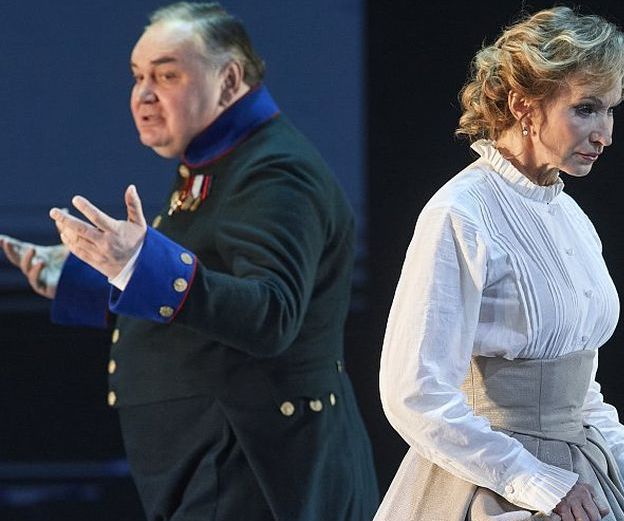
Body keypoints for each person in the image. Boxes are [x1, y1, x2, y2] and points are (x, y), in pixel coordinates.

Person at [0, 2, 378, 520]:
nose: (142, 95)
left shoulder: (275, 173)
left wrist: (138, 265)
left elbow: (270, 314)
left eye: (166, 75)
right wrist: (91, 273)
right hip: (217, 461)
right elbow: (203, 280)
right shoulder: (216, 162)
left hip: (252, 468)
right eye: (137, 76)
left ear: (229, 80)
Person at [375, 6, 624, 521]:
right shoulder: (461, 213)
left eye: (610, 111)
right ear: (524, 105)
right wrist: (534, 480)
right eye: (585, 109)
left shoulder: (570, 217)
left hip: (583, 477)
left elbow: (581, 397)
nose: (605, 134)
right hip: (490, 483)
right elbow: (415, 394)